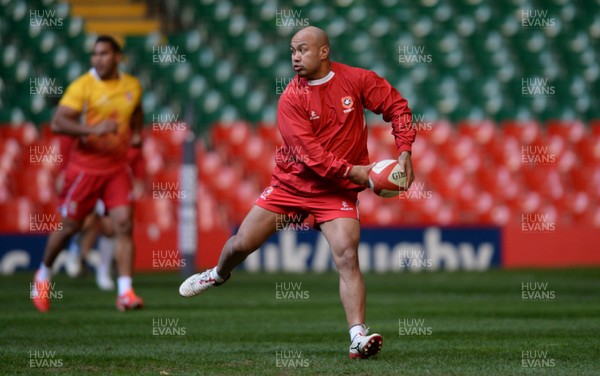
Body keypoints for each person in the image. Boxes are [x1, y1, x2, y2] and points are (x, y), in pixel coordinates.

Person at [179, 26, 415, 358]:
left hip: (336, 193)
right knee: (241, 244)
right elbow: (311, 157)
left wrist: (404, 152)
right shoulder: (291, 98)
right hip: (292, 186)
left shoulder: (358, 80)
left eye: (302, 50)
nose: (294, 57)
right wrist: (358, 172)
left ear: (323, 52)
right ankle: (218, 274)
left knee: (347, 255)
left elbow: (398, 108)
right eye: (292, 51)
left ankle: (357, 337)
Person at [31, 35, 144, 312]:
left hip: (116, 168)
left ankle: (125, 291)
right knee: (70, 226)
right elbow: (58, 122)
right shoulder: (82, 86)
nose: (98, 59)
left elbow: (137, 110)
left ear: (117, 57)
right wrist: (92, 130)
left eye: (104, 54)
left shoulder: (131, 85)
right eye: (95, 54)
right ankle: (42, 276)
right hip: (85, 169)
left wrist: (138, 133)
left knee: (124, 225)